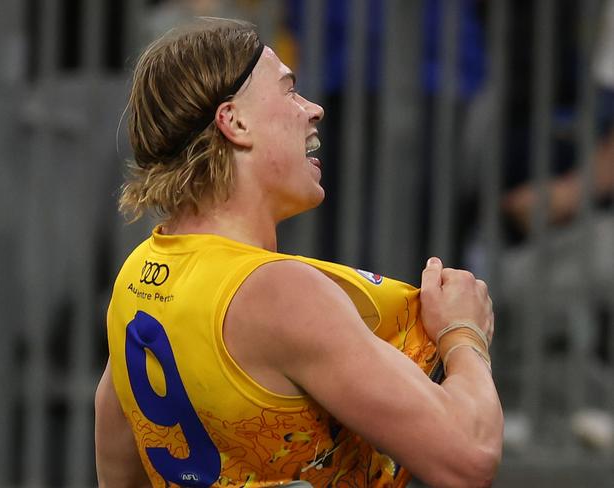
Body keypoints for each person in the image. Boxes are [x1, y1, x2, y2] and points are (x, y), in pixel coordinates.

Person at [94, 18, 503, 488]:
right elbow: (469, 457)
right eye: (289, 91)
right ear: (235, 121)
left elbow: (118, 472)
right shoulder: (279, 293)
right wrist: (462, 331)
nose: (314, 109)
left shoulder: (139, 277)